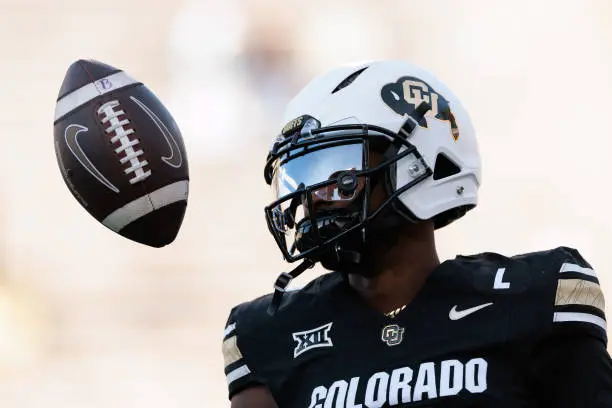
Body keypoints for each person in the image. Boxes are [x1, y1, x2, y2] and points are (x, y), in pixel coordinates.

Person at [221, 60, 612, 407]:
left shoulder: (534, 299)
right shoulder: (270, 334)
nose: (314, 197)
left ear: (423, 161)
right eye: (301, 176)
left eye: (338, 174)